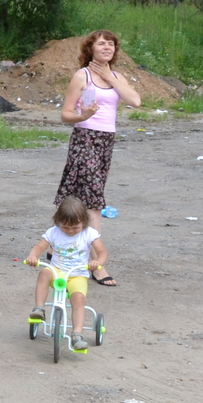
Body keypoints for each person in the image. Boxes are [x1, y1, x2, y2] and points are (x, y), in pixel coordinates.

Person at [56, 30, 139, 286]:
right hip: (85, 138)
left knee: (80, 196)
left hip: (106, 142)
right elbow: (66, 114)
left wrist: (109, 77)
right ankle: (97, 265)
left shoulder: (117, 76)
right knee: (94, 202)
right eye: (101, 43)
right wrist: (83, 116)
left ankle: (57, 247)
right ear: (90, 49)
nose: (107, 47)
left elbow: (135, 101)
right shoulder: (82, 76)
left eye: (111, 44)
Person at [25, 196, 107, 354]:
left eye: (75, 227)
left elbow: (102, 252)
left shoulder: (89, 234)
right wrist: (33, 256)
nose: (70, 231)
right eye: (65, 227)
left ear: (84, 221)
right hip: (57, 270)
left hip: (77, 274)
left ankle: (77, 335)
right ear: (58, 221)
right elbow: (39, 247)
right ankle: (39, 309)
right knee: (43, 273)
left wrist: (98, 262)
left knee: (78, 299)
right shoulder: (53, 232)